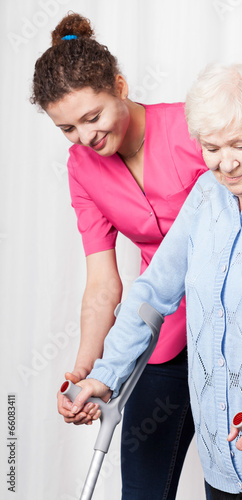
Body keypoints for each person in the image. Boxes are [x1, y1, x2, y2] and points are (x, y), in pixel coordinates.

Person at [68, 62, 242, 499]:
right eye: (211, 148)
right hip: (221, 456)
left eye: (240, 145)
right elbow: (154, 291)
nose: (226, 165)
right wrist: (106, 372)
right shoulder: (208, 195)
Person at [30, 13, 211, 500]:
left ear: (121, 85)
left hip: (233, 332)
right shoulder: (82, 168)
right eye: (67, 127)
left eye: (93, 117)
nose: (85, 137)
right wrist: (88, 368)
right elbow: (102, 284)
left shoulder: (194, 128)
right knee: (142, 492)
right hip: (161, 335)